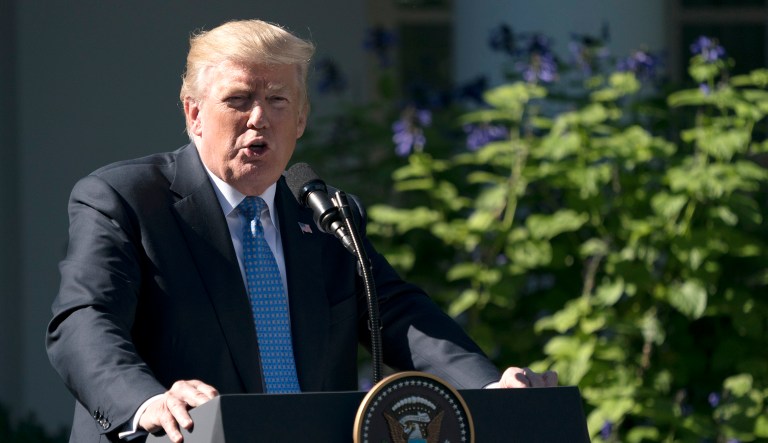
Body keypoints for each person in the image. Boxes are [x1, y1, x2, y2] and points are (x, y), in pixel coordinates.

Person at [46, 19, 557, 443]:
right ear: (194, 113)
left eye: (278, 100)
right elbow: (83, 321)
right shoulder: (126, 200)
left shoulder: (325, 214)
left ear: (302, 119)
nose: (259, 118)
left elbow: (398, 313)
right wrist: (147, 401)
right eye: (238, 99)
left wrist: (489, 389)